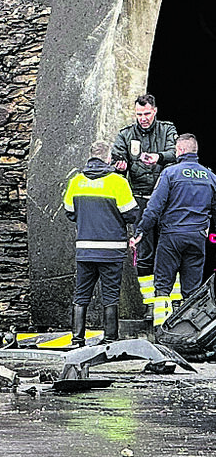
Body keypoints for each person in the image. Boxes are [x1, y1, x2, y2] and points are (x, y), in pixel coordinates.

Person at [131, 134, 216, 326]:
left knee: (162, 287)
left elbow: (154, 208)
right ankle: (188, 333)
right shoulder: (210, 176)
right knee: (192, 291)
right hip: (197, 237)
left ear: (181, 151)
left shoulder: (170, 174)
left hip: (171, 237)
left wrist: (141, 232)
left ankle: (160, 332)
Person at [64, 140, 140, 346]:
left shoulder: (76, 182)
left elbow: (70, 212)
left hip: (85, 250)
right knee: (110, 295)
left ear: (91, 156)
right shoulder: (118, 183)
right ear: (109, 158)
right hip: (112, 250)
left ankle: (77, 339)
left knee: (81, 295)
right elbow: (132, 214)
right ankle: (110, 339)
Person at [111, 93, 178, 310]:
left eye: (147, 113)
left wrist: (158, 157)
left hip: (165, 199)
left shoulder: (167, 129)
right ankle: (150, 304)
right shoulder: (126, 134)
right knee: (144, 252)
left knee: (169, 249)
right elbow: (117, 157)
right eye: (139, 114)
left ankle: (172, 301)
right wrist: (119, 165)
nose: (143, 118)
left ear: (155, 111)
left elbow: (175, 153)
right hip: (139, 198)